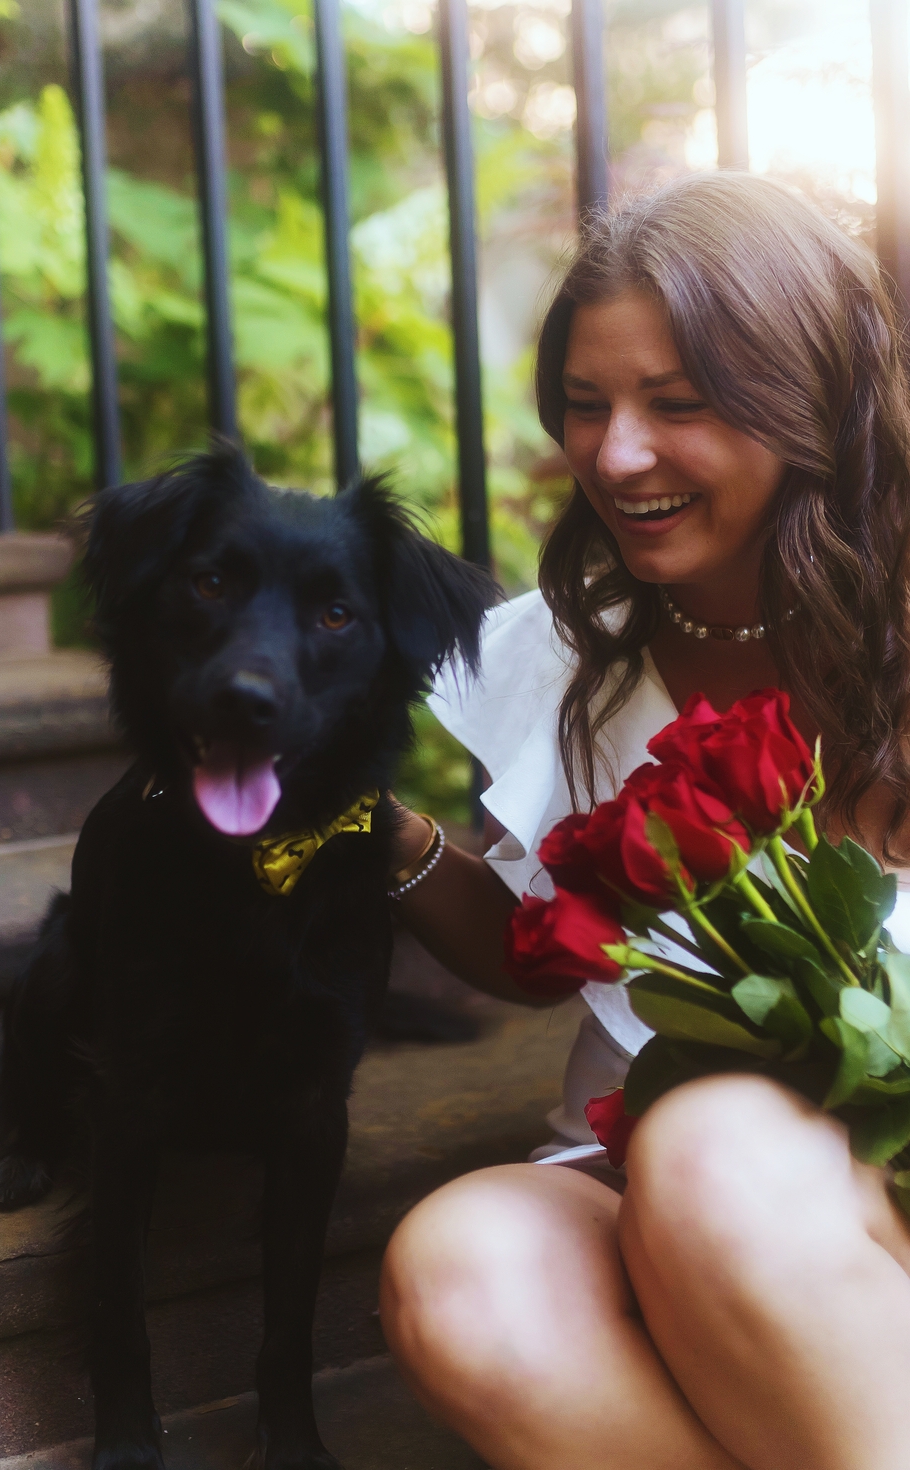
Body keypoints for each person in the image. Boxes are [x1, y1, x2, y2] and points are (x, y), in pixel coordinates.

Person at [378, 172, 910, 1470]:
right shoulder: (560, 655)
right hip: (647, 1166)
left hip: (844, 1192)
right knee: (464, 1272)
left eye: (679, 404)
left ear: (808, 397)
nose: (616, 454)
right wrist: (376, 836)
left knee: (712, 1147)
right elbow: (544, 947)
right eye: (585, 404)